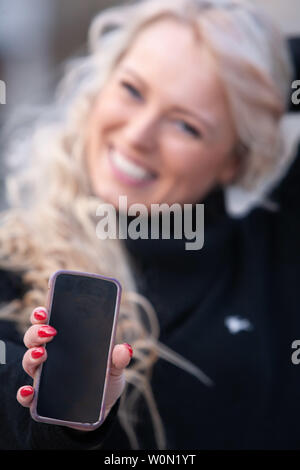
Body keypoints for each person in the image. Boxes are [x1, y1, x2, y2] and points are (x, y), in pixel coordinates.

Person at [0, 0, 299, 450]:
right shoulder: (14, 260)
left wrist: (232, 37)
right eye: (132, 89)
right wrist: (68, 429)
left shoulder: (276, 247)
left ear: (234, 161)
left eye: (186, 125)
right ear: (100, 85)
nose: (138, 135)